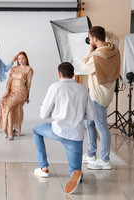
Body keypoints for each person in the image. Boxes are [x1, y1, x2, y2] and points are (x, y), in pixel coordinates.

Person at [33, 62, 95, 195]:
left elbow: (43, 114)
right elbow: (91, 115)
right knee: (75, 170)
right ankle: (76, 173)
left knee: (36, 131)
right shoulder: (82, 88)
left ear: (59, 74)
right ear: (73, 74)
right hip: (76, 135)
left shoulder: (55, 87)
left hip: (57, 130)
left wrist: (55, 113)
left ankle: (43, 168)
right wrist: (77, 114)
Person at [81, 26, 120, 170]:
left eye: (90, 38)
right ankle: (91, 154)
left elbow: (83, 67)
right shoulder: (114, 49)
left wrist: (91, 50)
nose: (89, 41)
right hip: (105, 94)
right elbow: (114, 36)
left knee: (101, 127)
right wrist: (100, 35)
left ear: (95, 39)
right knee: (89, 123)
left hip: (97, 95)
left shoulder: (97, 57)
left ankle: (105, 160)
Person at [0, 51, 33, 140]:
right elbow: (9, 81)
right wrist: (7, 91)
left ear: (26, 59)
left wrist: (27, 97)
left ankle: (10, 132)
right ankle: (10, 129)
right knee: (3, 102)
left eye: (23, 58)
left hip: (21, 93)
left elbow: (28, 84)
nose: (21, 60)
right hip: (11, 92)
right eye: (19, 58)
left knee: (9, 105)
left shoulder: (29, 69)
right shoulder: (14, 69)